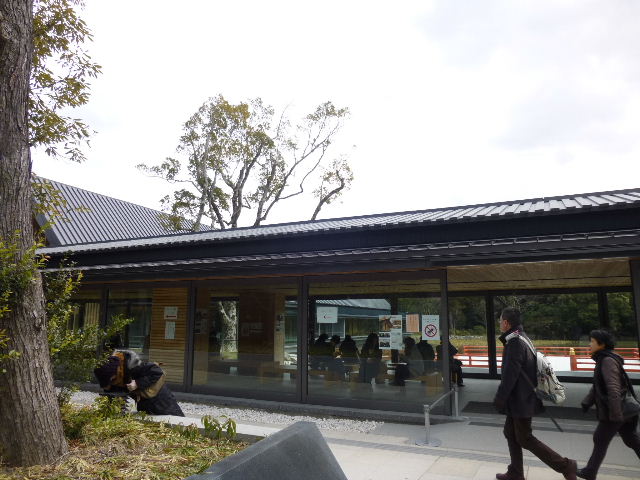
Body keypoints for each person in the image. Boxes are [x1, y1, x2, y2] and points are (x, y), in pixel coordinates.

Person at [493, 307, 576, 480]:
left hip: (521, 400)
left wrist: (500, 398)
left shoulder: (515, 342)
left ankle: (565, 465)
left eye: (500, 320)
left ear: (506, 323)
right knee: (510, 433)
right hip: (520, 399)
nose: (499, 323)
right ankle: (515, 472)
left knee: (525, 438)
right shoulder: (522, 338)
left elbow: (510, 375)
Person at [577, 330, 640, 480]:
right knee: (630, 439)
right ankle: (590, 472)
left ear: (602, 344)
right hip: (623, 410)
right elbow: (598, 386)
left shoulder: (607, 361)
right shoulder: (604, 359)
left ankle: (589, 472)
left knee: (600, 438)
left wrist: (615, 414)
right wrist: (587, 402)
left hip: (616, 410)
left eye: (592, 341)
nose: (589, 344)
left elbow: (613, 388)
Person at [94, 349, 184, 416]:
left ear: (115, 372)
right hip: (144, 406)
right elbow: (113, 394)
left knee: (178, 423)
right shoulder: (114, 377)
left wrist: (137, 383)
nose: (112, 383)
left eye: (111, 380)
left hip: (162, 401)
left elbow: (156, 371)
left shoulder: (133, 365)